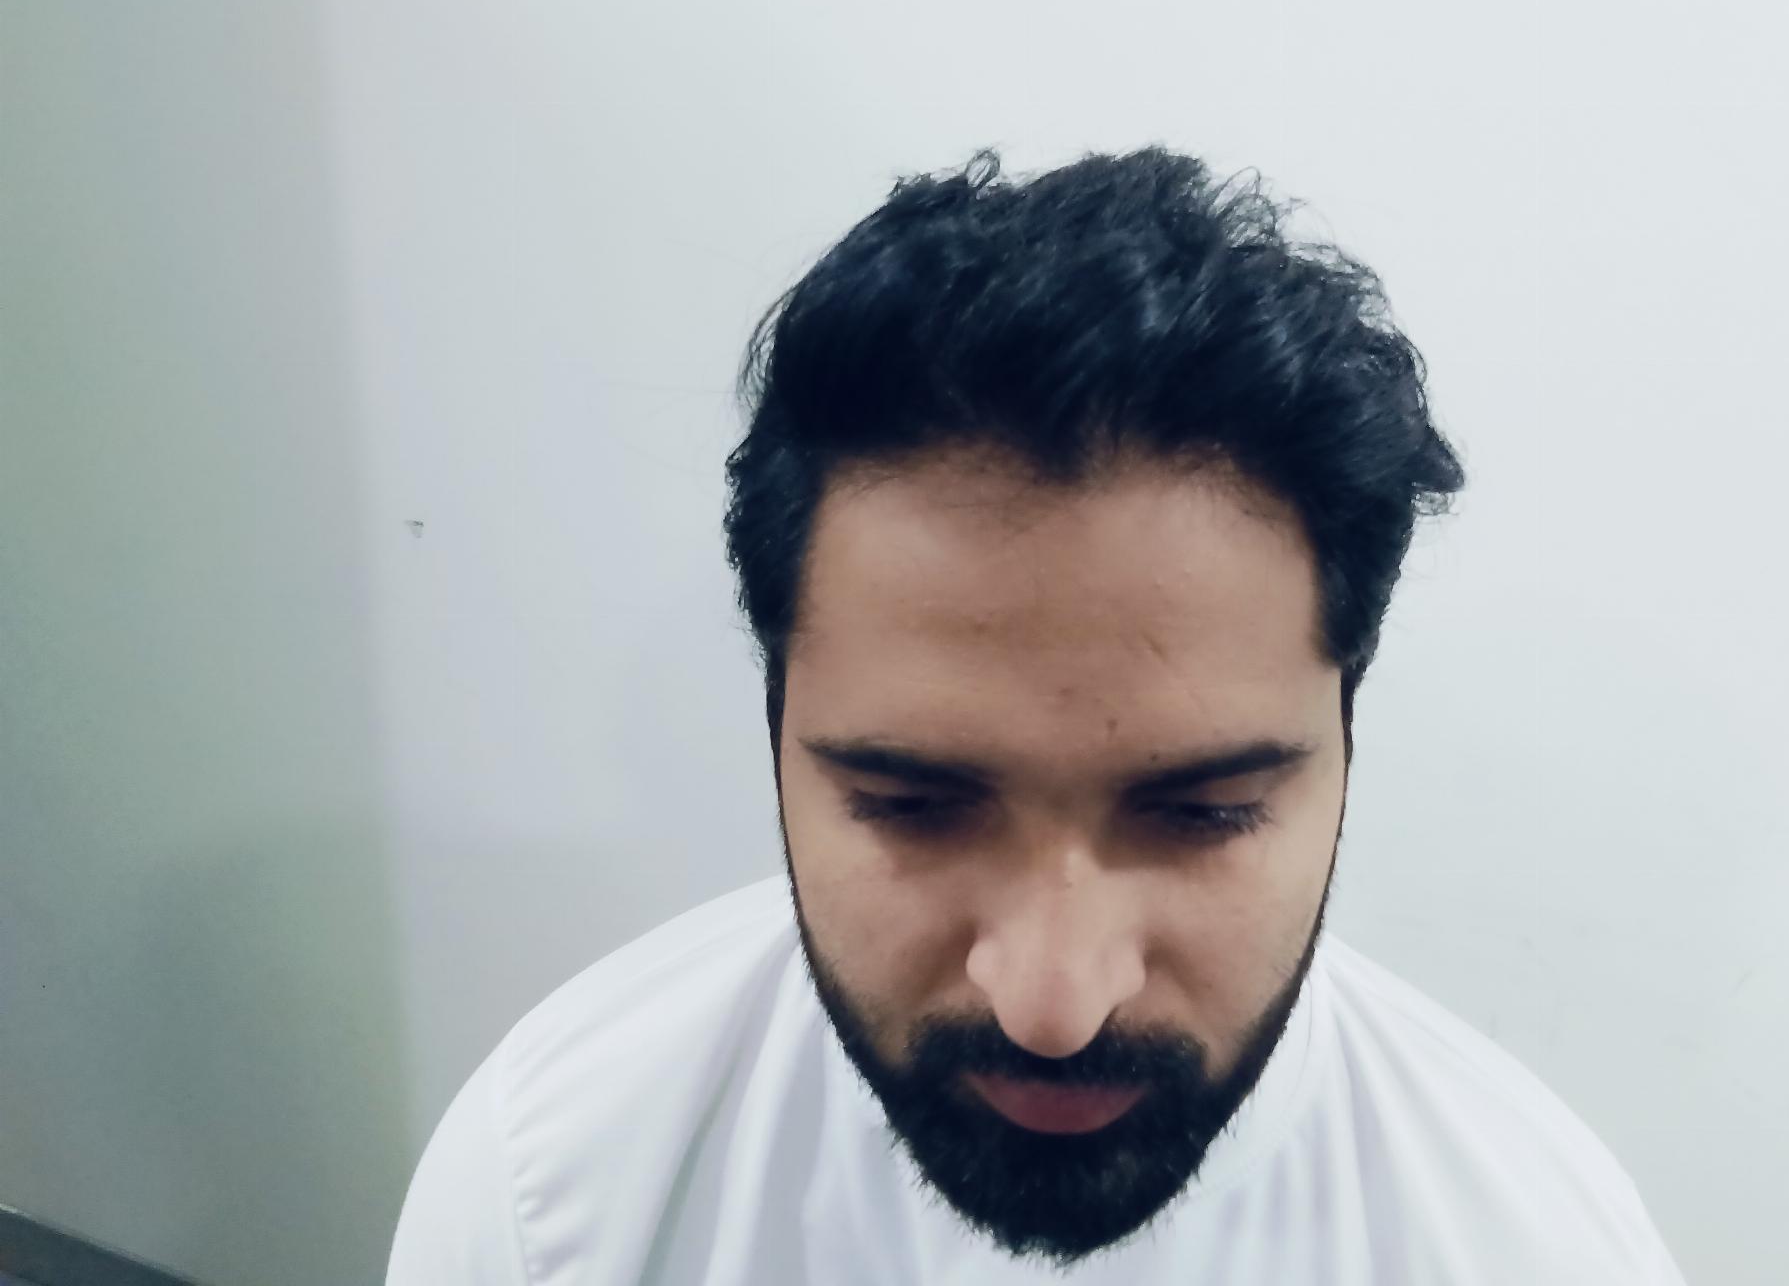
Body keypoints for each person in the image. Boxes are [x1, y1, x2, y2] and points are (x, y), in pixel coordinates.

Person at [387, 148, 1688, 1284]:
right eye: (911, 807)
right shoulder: (554, 1191)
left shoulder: (1531, 1250)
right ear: (775, 730)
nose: (1053, 1007)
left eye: (1204, 814)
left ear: (1347, 746)